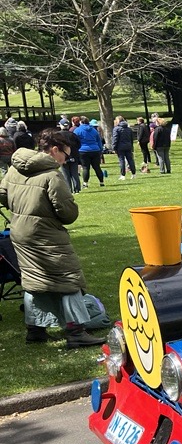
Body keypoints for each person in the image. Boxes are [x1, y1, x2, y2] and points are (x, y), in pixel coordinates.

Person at [0, 128, 104, 347]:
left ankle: (35, 331)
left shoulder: (15, 167)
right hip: (46, 235)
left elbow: (2, 194)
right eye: (66, 155)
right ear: (55, 150)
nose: (66, 160)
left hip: (20, 233)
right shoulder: (52, 175)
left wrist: (21, 209)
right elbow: (68, 213)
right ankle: (76, 332)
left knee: (33, 279)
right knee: (69, 279)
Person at [73, 117, 104, 188]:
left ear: (81, 122)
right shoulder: (94, 130)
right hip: (95, 150)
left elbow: (74, 141)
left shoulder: (77, 130)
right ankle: (101, 182)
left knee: (85, 168)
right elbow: (99, 140)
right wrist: (100, 150)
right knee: (97, 167)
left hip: (83, 150)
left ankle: (85, 183)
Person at [111, 115, 136, 180]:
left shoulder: (116, 129)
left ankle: (123, 175)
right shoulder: (129, 129)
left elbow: (115, 139)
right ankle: (133, 173)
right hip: (128, 146)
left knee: (121, 160)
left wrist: (113, 147)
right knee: (130, 160)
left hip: (120, 147)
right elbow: (131, 139)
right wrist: (131, 146)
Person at [61, 121, 82, 194]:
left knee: (66, 175)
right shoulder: (73, 135)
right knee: (74, 174)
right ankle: (77, 189)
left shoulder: (58, 135)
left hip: (63, 157)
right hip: (74, 156)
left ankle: (69, 189)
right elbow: (79, 144)